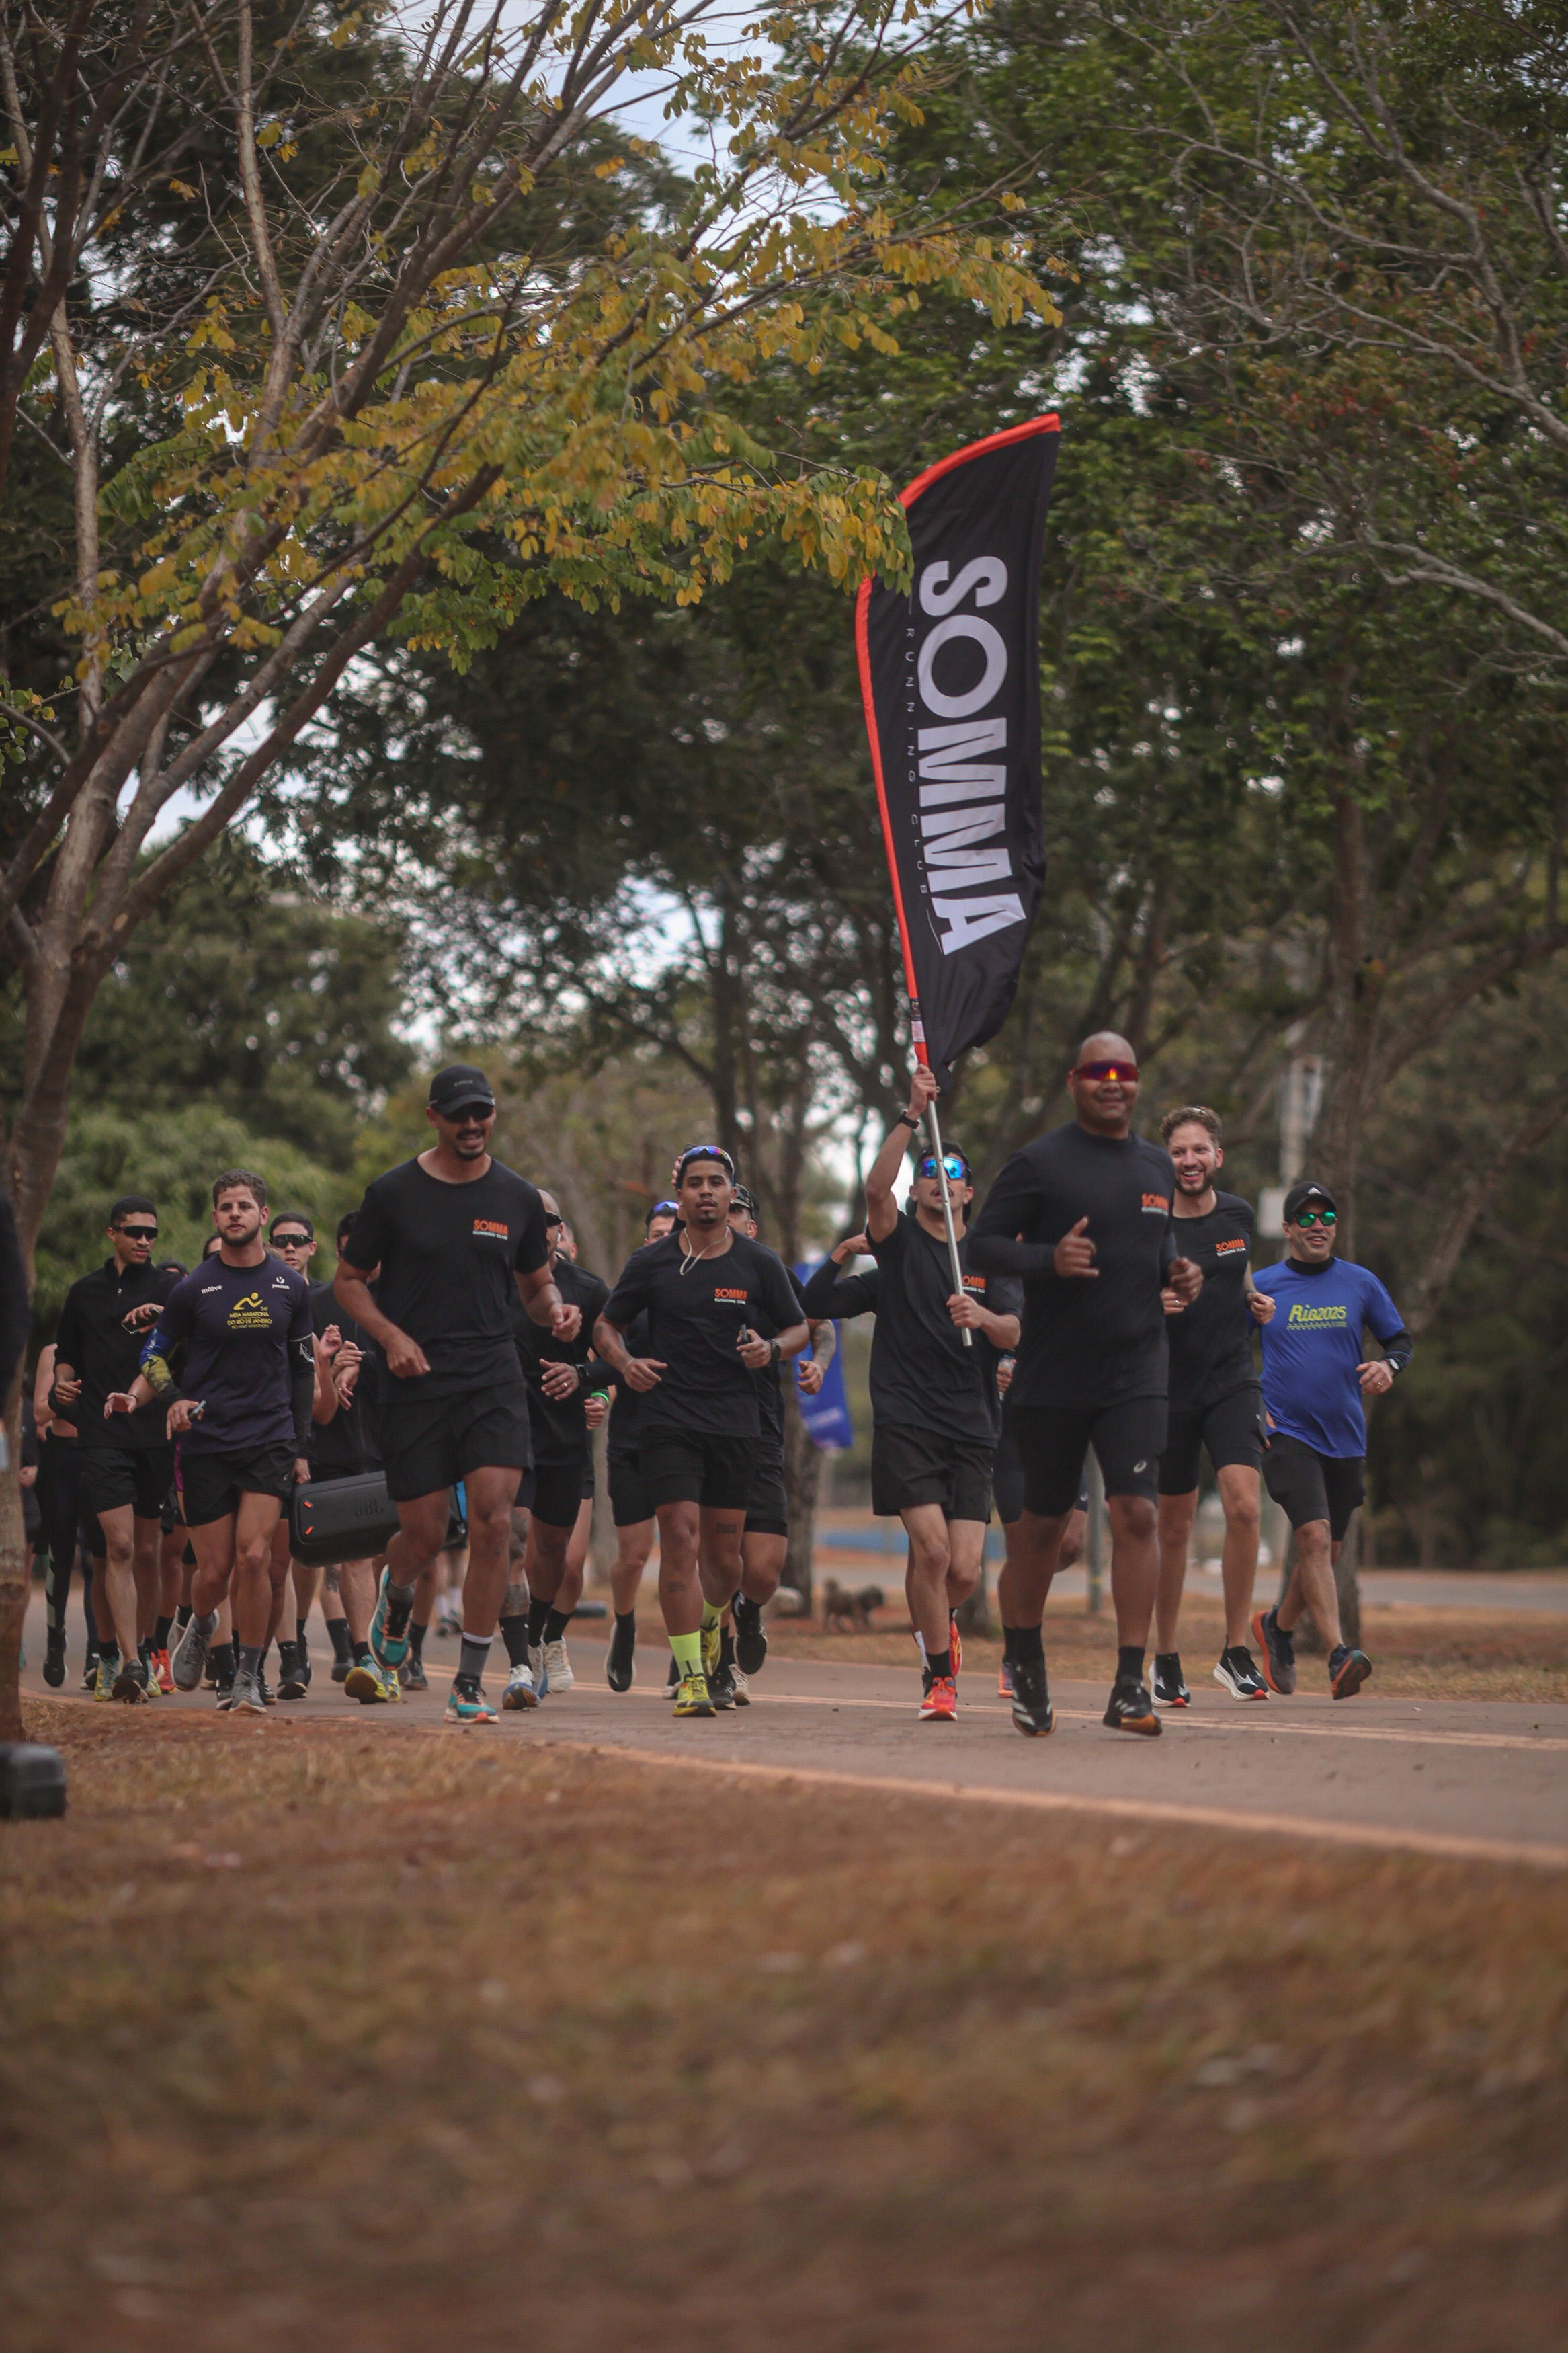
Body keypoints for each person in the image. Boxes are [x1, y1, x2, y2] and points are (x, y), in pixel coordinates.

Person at [968, 1033, 1202, 1739]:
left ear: (1135, 1084)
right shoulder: (1039, 1162)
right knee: (1040, 1530)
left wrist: (1179, 1273)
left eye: (1123, 1072)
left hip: (1136, 1371)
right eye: (1097, 1071)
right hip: (1052, 1374)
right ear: (1073, 1080)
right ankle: (1027, 1662)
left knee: (1136, 1515)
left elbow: (1157, 1246)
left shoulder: (1155, 1166)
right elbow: (980, 1244)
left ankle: (1129, 1683)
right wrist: (1048, 1258)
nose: (1111, 1081)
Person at [334, 1065, 577, 1726]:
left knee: (497, 1522)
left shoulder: (517, 1197)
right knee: (423, 1532)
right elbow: (349, 1280)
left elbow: (535, 1285)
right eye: (460, 1114)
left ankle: (467, 1682)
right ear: (434, 1117)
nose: (473, 1125)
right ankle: (398, 1593)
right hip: (413, 1381)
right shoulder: (392, 1193)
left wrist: (555, 1309)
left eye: (483, 1113)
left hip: (491, 1376)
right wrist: (389, 1337)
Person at [803, 1068, 1019, 1722]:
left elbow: (1012, 1329)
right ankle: (936, 1675)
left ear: (966, 1188)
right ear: (916, 1185)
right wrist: (909, 1113)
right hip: (905, 1418)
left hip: (971, 1422)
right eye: (928, 1168)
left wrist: (979, 1319)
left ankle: (940, 1622)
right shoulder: (894, 1245)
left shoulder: (986, 1254)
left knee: (961, 1571)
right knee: (927, 1550)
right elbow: (873, 1187)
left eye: (950, 1169)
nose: (938, 1177)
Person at [594, 1146, 807, 1717]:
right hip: (669, 1422)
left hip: (736, 1426)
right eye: (695, 1184)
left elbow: (797, 1327)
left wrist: (773, 1348)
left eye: (717, 1183)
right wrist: (624, 1365)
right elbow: (606, 1325)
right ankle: (690, 1677)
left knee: (725, 1562)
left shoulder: (758, 1263)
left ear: (731, 1193)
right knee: (680, 1543)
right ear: (681, 1193)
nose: (707, 1192)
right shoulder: (653, 1262)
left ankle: (715, 1625)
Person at [111, 1170, 315, 1716]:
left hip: (268, 1436)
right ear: (215, 1217)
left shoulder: (290, 1287)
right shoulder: (192, 1287)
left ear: (262, 1216)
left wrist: (300, 1447)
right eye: (225, 1206)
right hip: (205, 1441)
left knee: (255, 1557)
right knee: (213, 1573)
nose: (234, 1214)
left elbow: (301, 1373)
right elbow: (151, 1355)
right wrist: (173, 1397)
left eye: (244, 1205)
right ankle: (200, 1623)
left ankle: (247, 1675)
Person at [1250, 1181, 1410, 1701]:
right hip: (1285, 1433)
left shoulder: (1360, 1283)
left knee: (1327, 1548)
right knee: (1314, 1538)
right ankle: (1339, 1654)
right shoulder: (1263, 1285)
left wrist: (1387, 1366)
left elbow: (1399, 1341)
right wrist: (1254, 1413)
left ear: (1335, 1227)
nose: (1317, 1225)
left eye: (1326, 1217)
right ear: (1288, 1228)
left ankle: (1276, 1627)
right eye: (1306, 1217)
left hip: (1344, 1437)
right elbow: (1225, 1350)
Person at [1152, 1107, 1274, 1705]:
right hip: (1168, 1389)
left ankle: (1234, 1653)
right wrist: (1154, 1304)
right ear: (1166, 1160)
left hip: (1231, 1380)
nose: (1189, 1161)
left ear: (1217, 1157)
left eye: (1198, 1150)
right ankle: (1166, 1658)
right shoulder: (1150, 1222)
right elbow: (1115, 1292)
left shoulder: (1238, 1215)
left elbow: (1239, 1272)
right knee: (1172, 1528)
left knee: (1244, 1506)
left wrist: (1256, 1300)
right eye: (1178, 1152)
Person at [51, 1195, 181, 1700]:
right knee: (118, 1547)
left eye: (150, 1232)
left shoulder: (169, 1288)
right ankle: (126, 1661)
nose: (144, 1240)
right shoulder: (84, 1292)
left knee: (147, 1552)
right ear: (112, 1234)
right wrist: (62, 1383)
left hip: (152, 1435)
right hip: (100, 1434)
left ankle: (145, 1648)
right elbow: (67, 1355)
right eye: (134, 1232)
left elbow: (184, 1340)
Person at [716, 1183, 834, 1703]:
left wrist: (819, 1363)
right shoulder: (681, 1271)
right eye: (724, 1206)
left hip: (762, 1435)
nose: (728, 1214)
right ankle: (719, 1665)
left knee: (761, 1571)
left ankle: (749, 1609)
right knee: (717, 1558)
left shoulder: (769, 1271)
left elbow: (819, 1325)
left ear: (751, 1224)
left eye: (738, 1210)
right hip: (703, 1432)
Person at [499, 1187, 608, 1707]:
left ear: (557, 1229)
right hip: (506, 1431)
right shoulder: (492, 1280)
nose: (535, 1226)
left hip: (564, 1437)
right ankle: (519, 1663)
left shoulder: (586, 1288)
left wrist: (589, 1380)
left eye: (545, 1219)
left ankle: (539, 1637)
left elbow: (620, 1353)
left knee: (554, 1556)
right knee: (514, 1541)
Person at [602, 1200, 678, 1691]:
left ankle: (683, 1652)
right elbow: (602, 1350)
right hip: (630, 1436)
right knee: (634, 1556)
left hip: (682, 1437)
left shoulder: (701, 1292)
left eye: (672, 1233)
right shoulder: (630, 1291)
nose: (662, 1241)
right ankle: (624, 1624)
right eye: (654, 1234)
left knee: (681, 1551)